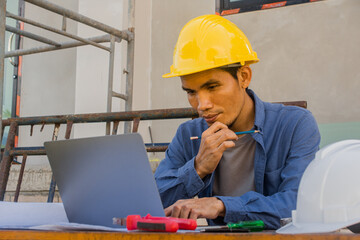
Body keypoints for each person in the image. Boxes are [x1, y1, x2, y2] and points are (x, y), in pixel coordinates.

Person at [154, 14, 320, 229]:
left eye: (212, 87)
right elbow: (153, 206)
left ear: (244, 77)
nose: (201, 105)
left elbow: (299, 204)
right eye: (191, 92)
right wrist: (197, 168)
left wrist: (222, 205)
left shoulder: (294, 125)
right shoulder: (188, 134)